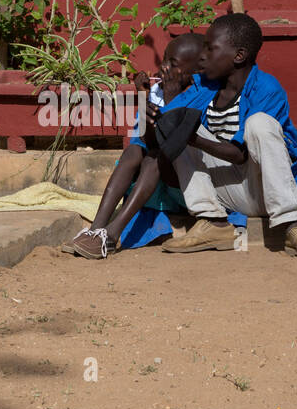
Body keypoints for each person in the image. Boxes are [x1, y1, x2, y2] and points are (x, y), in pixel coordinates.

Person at [152, 14, 297, 255]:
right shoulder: (204, 85)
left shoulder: (266, 88)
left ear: (238, 56)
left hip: (268, 189)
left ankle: (291, 224)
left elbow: (240, 155)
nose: (202, 56)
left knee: (259, 123)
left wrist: (191, 138)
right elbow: (168, 124)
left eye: (210, 49)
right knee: (178, 123)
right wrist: (156, 113)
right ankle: (213, 222)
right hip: (229, 195)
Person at [63, 33, 204, 259]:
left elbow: (172, 144)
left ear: (196, 72)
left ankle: (110, 235)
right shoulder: (157, 91)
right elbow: (145, 139)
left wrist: (170, 99)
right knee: (134, 150)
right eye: (164, 59)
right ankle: (95, 230)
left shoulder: (198, 96)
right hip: (156, 185)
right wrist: (143, 98)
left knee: (153, 158)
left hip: (184, 188)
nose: (164, 67)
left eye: (173, 63)